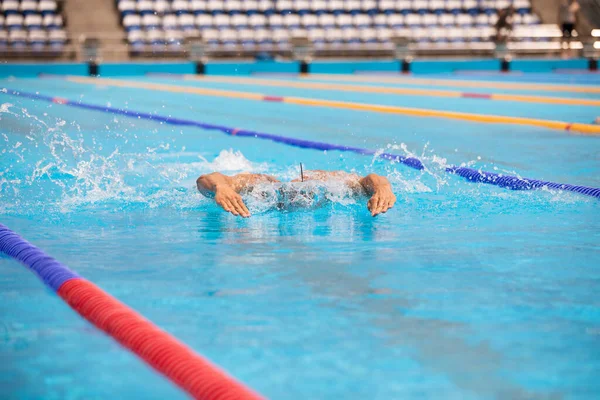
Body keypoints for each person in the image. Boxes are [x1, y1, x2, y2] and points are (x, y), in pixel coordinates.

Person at [197, 170, 397, 218]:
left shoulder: (332, 186)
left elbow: (370, 179)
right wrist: (221, 188)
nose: (298, 195)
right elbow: (207, 179)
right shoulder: (266, 185)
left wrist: (382, 188)